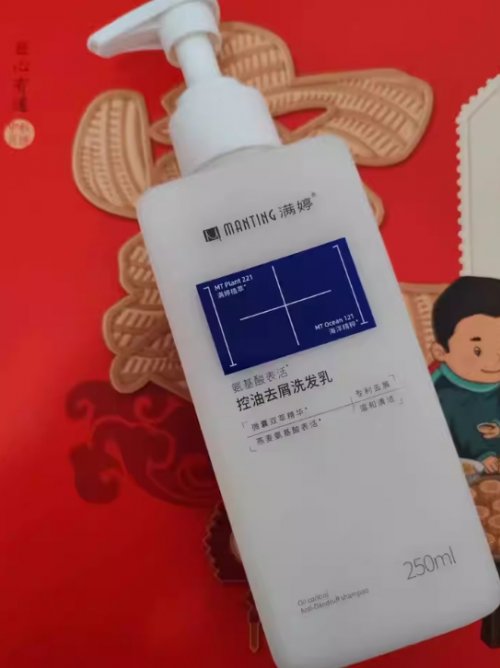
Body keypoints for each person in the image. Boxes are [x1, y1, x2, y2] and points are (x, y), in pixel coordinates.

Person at [431, 276, 500, 472]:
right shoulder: (443, 393)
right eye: (478, 350)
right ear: (441, 352)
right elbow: (458, 431)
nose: (495, 359)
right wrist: (482, 455)